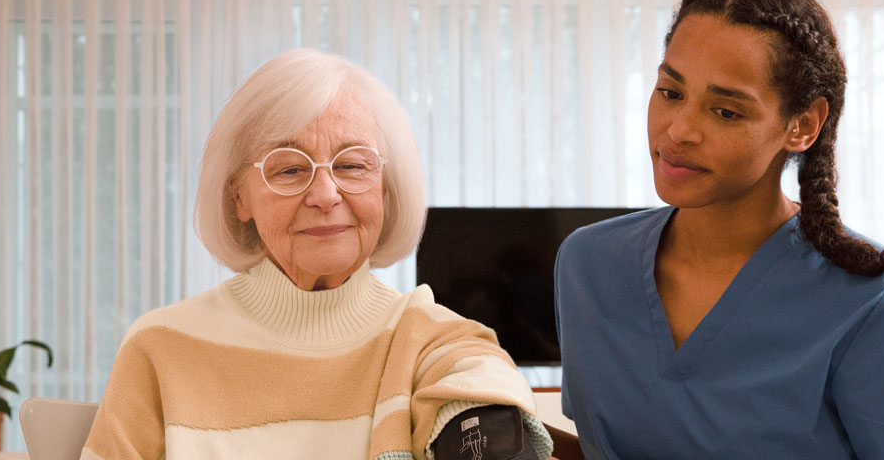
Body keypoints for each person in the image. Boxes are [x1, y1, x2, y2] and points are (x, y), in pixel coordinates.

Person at [553, 0, 884, 458]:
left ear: (801, 125)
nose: (679, 130)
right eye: (670, 91)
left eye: (725, 111)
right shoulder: (587, 265)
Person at [81, 48, 551, 460]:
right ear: (239, 197)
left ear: (385, 191)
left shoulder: (439, 343)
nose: (325, 194)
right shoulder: (160, 348)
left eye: (351, 165)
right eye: (288, 169)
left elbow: (480, 401)